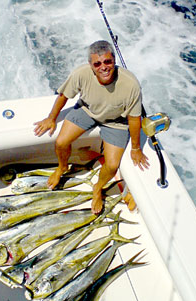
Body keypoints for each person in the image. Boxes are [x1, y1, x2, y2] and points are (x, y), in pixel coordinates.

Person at [34, 40, 149, 214]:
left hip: (117, 122)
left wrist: (136, 148)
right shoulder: (81, 73)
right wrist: (51, 118)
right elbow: (64, 95)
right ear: (91, 66)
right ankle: (62, 167)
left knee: (112, 165)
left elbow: (134, 118)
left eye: (108, 62)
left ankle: (98, 188)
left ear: (114, 61)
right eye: (97, 63)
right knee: (61, 143)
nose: (103, 67)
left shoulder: (131, 84)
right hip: (87, 110)